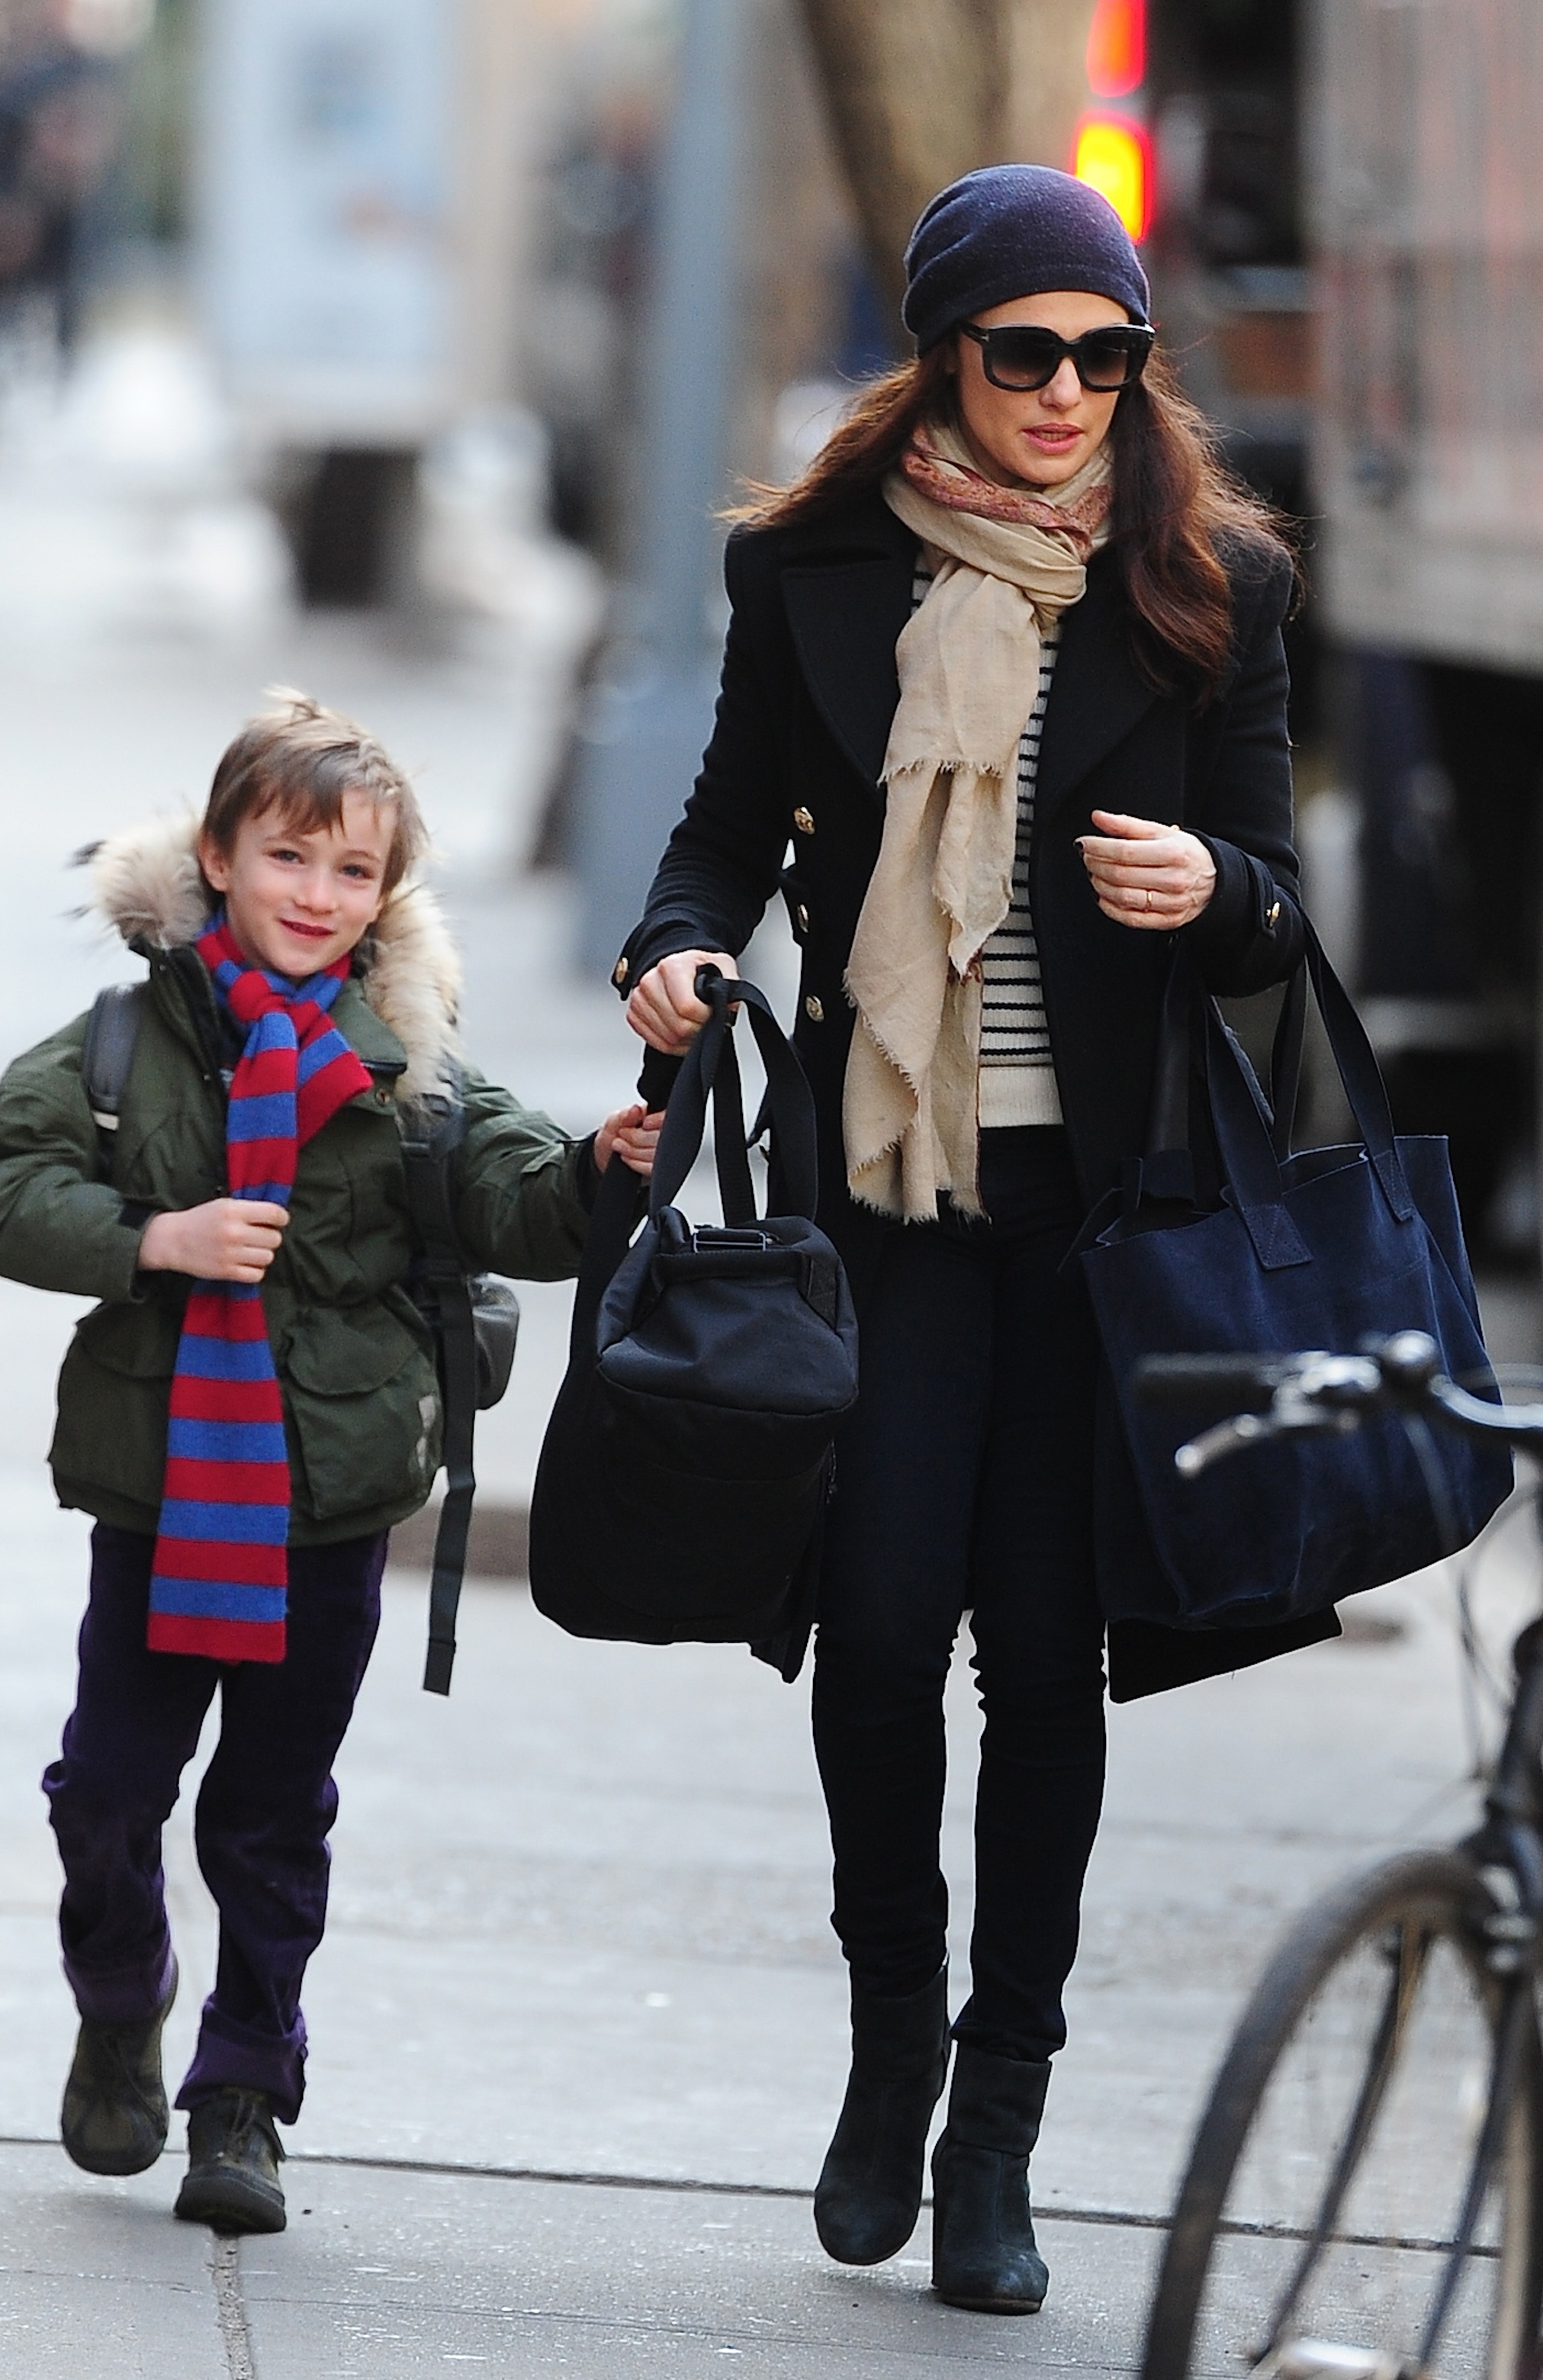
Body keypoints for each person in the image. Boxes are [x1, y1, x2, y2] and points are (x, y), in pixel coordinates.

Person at [616, 166, 1321, 2315]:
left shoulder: (1207, 585)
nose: (1068, 395)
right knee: (885, 1626)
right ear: (946, 354)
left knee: (1045, 1657)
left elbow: (1284, 906)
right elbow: (729, 826)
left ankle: (1001, 2109)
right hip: (887, 1202)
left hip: (1095, 1220)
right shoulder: (808, 567)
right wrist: (673, 948)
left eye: (1106, 357)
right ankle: (888, 2044)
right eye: (1024, 352)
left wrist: (1212, 889)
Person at [0, 692, 657, 2235]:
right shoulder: (126, 1040)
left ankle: (242, 2097)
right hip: (158, 1490)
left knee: (270, 1813)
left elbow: (519, 1200)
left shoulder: (409, 1073)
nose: (317, 895)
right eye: (289, 856)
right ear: (220, 856)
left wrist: (604, 1166)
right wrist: (156, 1237)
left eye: (354, 873)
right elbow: (2, 1188)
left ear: (386, 894)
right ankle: (121, 1995)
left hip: (329, 1499)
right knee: (109, 1791)